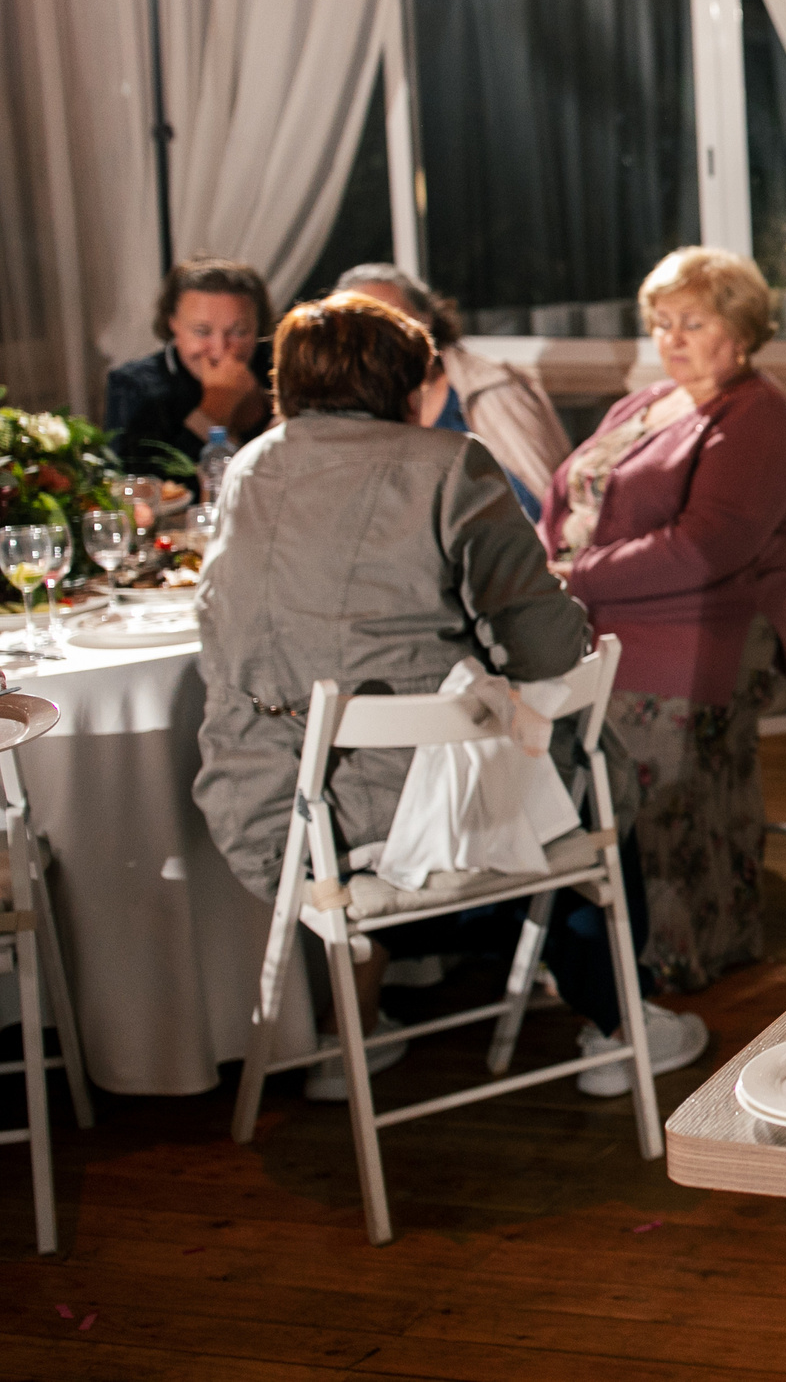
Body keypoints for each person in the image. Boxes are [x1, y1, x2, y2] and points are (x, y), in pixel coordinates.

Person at [195, 293, 709, 1101]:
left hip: (277, 808)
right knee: (586, 754)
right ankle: (618, 1026)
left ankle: (352, 1032)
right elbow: (549, 644)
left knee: (468, 746)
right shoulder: (447, 463)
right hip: (431, 817)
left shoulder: (252, 465)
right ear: (408, 381)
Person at [540, 248, 786, 993]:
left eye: (693, 322)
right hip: (596, 619)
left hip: (703, 627)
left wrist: (574, 576)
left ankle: (669, 952)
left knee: (636, 767)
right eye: (662, 323)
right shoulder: (643, 403)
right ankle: (576, 945)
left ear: (742, 330)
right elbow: (565, 496)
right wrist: (543, 570)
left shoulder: (759, 412)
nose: (674, 338)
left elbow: (705, 548)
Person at [334, 262, 572, 518]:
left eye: (396, 320)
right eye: (366, 328)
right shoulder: (340, 411)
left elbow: (549, 497)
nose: (384, 338)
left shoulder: (491, 387)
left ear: (426, 318)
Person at [104, 257, 275, 480]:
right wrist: (214, 410)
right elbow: (138, 488)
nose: (219, 349)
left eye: (239, 331)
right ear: (172, 323)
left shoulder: (279, 371)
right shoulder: (133, 386)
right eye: (202, 332)